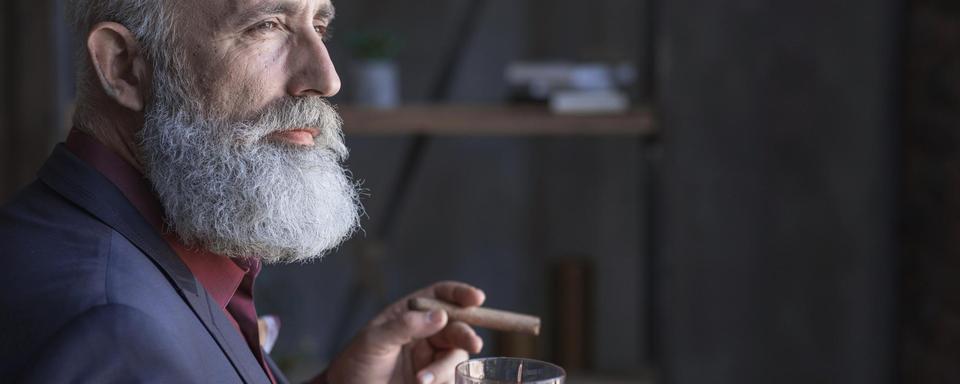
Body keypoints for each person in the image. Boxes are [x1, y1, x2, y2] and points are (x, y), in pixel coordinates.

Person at [0, 0, 485, 383]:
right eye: (267, 25)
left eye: (319, 25)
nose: (326, 79)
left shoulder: (103, 240)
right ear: (124, 66)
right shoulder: (113, 330)